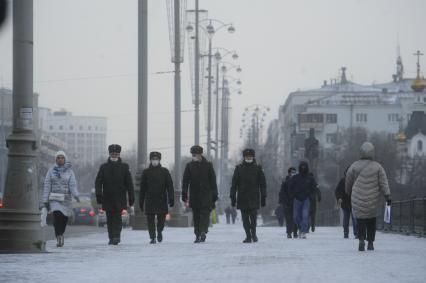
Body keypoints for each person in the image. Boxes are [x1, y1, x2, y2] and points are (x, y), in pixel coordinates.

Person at [345, 142, 391, 251]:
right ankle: (370, 242)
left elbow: (348, 181)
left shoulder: (354, 166)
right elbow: (383, 182)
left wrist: (348, 192)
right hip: (373, 199)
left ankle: (361, 239)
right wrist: (387, 195)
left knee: (360, 220)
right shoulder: (378, 167)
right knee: (371, 221)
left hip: (358, 198)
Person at [95, 144, 135, 245]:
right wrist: (99, 194)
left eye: (116, 153)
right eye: (112, 153)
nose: (114, 155)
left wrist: (131, 196)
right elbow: (98, 182)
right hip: (107, 197)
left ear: (119, 154)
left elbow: (129, 183)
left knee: (117, 218)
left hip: (120, 197)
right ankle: (111, 237)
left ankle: (116, 236)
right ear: (109, 154)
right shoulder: (104, 167)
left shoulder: (124, 167)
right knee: (110, 219)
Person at [43, 151, 80, 247]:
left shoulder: (70, 171)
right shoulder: (51, 171)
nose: (60, 159)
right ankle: (58, 235)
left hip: (66, 199)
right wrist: (45, 199)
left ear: (65, 159)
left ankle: (61, 233)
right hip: (54, 198)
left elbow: (72, 185)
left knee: (64, 218)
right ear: (55, 159)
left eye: (62, 157)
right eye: (58, 157)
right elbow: (47, 185)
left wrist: (76, 195)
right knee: (57, 215)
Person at [182, 145, 218, 243]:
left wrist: (215, 194)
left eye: (195, 154)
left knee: (205, 214)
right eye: (192, 154)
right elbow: (185, 181)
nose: (194, 156)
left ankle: (203, 231)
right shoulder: (189, 166)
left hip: (206, 195)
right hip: (194, 195)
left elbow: (213, 181)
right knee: (196, 216)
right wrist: (184, 193)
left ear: (200, 154)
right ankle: (197, 234)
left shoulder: (208, 165)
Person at [230, 148, 267, 243]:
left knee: (253, 218)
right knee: (245, 219)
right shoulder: (239, 168)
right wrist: (233, 197)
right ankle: (248, 236)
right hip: (242, 197)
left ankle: (253, 234)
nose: (248, 157)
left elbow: (262, 184)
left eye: (250, 156)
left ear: (253, 156)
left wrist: (263, 196)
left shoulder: (258, 168)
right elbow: (234, 184)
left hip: (254, 197)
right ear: (244, 157)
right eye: (247, 156)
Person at [139, 152, 174, 244]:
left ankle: (159, 231)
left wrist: (171, 198)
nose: (155, 160)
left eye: (156, 159)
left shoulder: (164, 171)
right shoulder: (146, 172)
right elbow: (142, 188)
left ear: (159, 160)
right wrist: (141, 201)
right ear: (150, 160)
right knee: (150, 219)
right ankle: (152, 237)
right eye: (153, 159)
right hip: (150, 199)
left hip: (161, 199)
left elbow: (170, 186)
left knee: (161, 219)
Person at [288, 161, 317, 239]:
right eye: (302, 166)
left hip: (306, 199)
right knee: (296, 217)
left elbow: (314, 189)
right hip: (297, 199)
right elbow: (290, 187)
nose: (303, 168)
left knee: (305, 215)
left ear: (307, 167)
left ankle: (303, 231)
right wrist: (292, 195)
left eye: (304, 167)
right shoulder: (295, 178)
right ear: (300, 167)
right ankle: (301, 228)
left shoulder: (310, 178)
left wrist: (311, 196)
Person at [335, 168, 357, 239]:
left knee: (354, 219)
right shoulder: (343, 181)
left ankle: (356, 233)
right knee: (346, 218)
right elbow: (338, 191)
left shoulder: (356, 181)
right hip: (345, 202)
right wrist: (339, 198)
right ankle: (346, 232)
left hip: (354, 202)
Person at [279, 167, 298, 238]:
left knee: (295, 218)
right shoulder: (285, 182)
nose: (293, 173)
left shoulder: (297, 182)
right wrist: (283, 201)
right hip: (287, 202)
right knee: (288, 218)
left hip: (295, 202)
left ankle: (295, 232)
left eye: (294, 172)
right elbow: (282, 192)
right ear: (289, 173)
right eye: (292, 172)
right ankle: (289, 232)